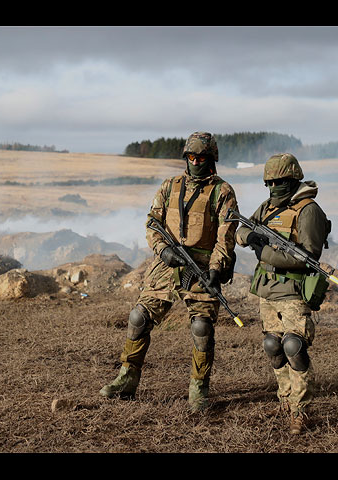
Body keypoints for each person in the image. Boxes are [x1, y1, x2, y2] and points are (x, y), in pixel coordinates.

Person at [100, 131, 239, 412]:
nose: (196, 162)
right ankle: (127, 378)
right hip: (167, 264)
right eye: (191, 157)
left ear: (212, 159)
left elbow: (226, 235)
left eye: (201, 157)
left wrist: (215, 268)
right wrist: (163, 251)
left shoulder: (223, 192)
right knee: (138, 317)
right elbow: (152, 223)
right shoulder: (169, 186)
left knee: (202, 327)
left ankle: (198, 388)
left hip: (201, 267)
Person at [235, 153, 331, 434]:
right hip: (267, 290)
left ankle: (300, 411)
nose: (273, 187)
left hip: (294, 290)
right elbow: (241, 229)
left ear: (292, 180)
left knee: (294, 346)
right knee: (272, 346)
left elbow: (307, 257)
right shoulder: (266, 208)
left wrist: (264, 251)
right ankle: (285, 400)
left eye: (279, 182)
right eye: (269, 182)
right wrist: (250, 238)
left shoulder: (308, 210)